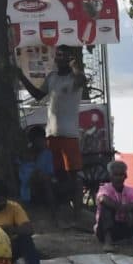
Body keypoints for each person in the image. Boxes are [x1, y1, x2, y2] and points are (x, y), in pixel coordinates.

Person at [28, 49, 88, 187]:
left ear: (69, 58)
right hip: (52, 134)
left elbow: (82, 80)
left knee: (73, 175)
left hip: (69, 134)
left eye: (62, 55)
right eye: (57, 55)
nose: (59, 58)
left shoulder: (75, 78)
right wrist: (21, 77)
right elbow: (38, 95)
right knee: (56, 173)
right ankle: (63, 204)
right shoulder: (52, 77)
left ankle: (77, 207)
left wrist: (74, 65)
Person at [93, 160, 133, 244]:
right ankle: (108, 241)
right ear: (110, 176)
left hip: (126, 228)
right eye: (115, 175)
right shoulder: (105, 188)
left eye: (121, 175)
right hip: (104, 231)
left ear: (125, 176)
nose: (118, 178)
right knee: (106, 207)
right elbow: (102, 198)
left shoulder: (130, 191)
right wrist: (121, 208)